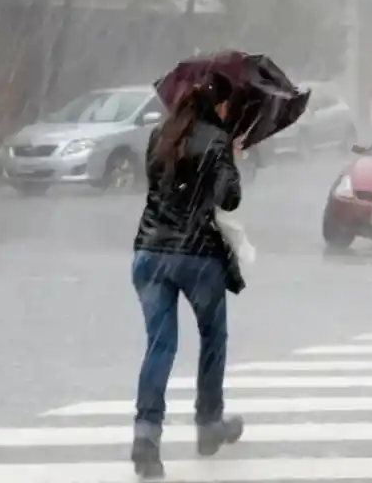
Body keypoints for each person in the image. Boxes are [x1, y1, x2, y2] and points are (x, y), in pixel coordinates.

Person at [130, 73, 245, 478]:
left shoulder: (159, 135)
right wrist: (231, 156)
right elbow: (228, 198)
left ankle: (146, 435)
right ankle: (209, 423)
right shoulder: (217, 139)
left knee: (160, 346)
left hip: (149, 253)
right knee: (213, 337)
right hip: (196, 256)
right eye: (228, 105)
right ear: (219, 105)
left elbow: (160, 188)